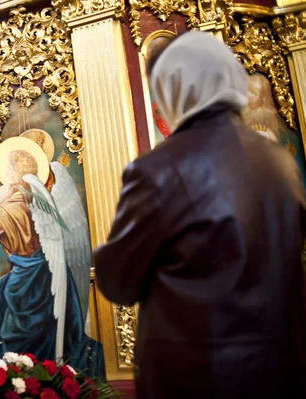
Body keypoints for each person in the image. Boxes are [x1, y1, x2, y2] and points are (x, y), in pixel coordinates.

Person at [93, 31, 306, 398]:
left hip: (198, 374)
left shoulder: (160, 168)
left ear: (171, 89)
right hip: (281, 367)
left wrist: (103, 251)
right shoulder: (279, 161)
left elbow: (118, 282)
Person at [0, 149, 104, 377]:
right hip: (48, 272)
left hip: (28, 278)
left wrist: (1, 196)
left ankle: (24, 375)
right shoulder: (42, 201)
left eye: (7, 169)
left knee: (11, 322)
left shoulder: (12, 206)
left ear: (14, 173)